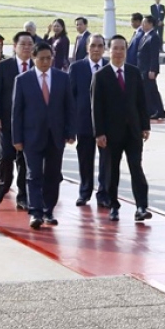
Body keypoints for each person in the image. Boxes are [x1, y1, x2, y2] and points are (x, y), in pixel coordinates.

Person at [12, 41, 75, 229]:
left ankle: (48, 210)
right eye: (42, 58)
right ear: (34, 58)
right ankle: (35, 212)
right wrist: (16, 138)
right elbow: (17, 112)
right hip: (31, 136)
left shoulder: (62, 78)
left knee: (53, 175)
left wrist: (71, 132)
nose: (46, 62)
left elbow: (69, 107)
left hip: (56, 136)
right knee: (33, 175)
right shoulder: (23, 80)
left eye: (49, 58)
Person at [91, 35, 152, 222]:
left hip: (133, 132)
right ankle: (113, 205)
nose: (118, 52)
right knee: (112, 171)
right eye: (115, 48)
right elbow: (96, 107)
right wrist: (99, 133)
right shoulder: (100, 76)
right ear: (109, 51)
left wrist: (145, 126)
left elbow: (141, 102)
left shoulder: (134, 73)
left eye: (122, 49)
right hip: (110, 134)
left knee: (136, 168)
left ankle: (141, 206)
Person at [0, 31, 34, 210]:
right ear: (14, 47)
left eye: (30, 44)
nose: (26, 48)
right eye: (22, 44)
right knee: (6, 155)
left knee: (24, 160)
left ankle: (23, 195)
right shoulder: (4, 65)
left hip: (29, 122)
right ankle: (2, 186)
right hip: (7, 122)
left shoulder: (36, 67)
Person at [68, 34, 109, 207]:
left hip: (106, 124)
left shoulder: (109, 67)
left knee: (107, 161)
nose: (96, 49)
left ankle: (104, 193)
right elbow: (70, 98)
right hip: (84, 122)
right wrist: (70, 127)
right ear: (87, 48)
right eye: (93, 45)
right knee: (85, 160)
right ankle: (85, 192)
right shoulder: (77, 68)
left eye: (100, 46)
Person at [137, 16, 165, 120]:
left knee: (150, 91)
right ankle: (158, 111)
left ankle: (156, 111)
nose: (142, 25)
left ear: (150, 24)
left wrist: (152, 70)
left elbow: (154, 55)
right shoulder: (145, 36)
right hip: (143, 69)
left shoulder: (154, 37)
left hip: (148, 70)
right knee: (151, 90)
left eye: (144, 23)